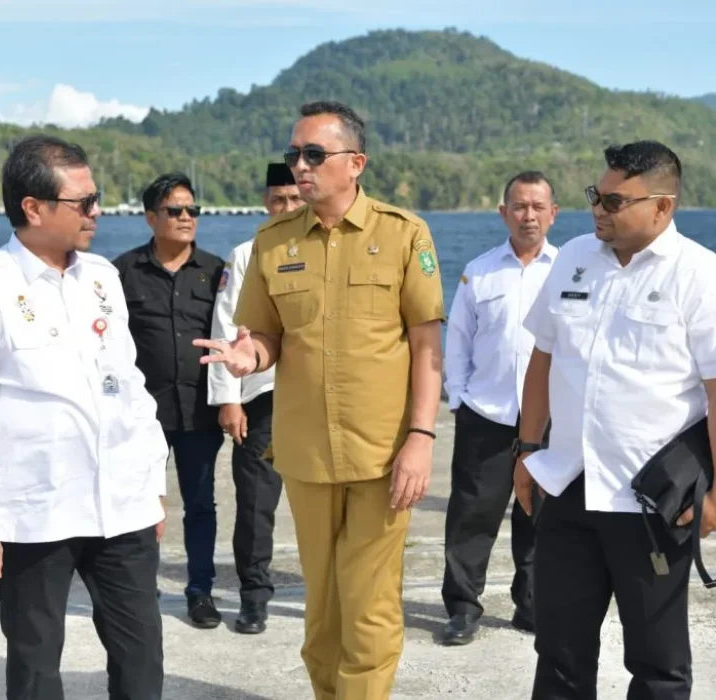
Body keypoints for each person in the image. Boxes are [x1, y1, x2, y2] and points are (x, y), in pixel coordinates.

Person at [195, 100, 445, 699]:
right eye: (294, 155)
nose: (300, 168)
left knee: (369, 604)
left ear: (354, 163)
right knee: (322, 607)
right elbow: (266, 340)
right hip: (306, 454)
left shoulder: (404, 234)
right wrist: (245, 358)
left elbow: (427, 342)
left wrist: (421, 437)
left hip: (383, 454)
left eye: (314, 155)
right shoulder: (273, 243)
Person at [514, 140, 716, 700]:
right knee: (559, 652)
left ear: (662, 207)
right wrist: (526, 451)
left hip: (649, 500)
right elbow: (542, 358)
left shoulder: (704, 276)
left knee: (657, 663)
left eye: (615, 201)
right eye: (597, 195)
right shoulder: (572, 257)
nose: (599, 208)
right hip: (569, 484)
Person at [0, 134, 169, 700]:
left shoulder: (101, 278)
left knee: (141, 656)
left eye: (97, 198)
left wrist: (151, 482)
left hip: (121, 505)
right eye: (83, 202)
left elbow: (130, 386)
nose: (97, 212)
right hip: (34, 512)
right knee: (36, 664)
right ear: (33, 208)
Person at [440, 170, 559, 645]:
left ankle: (531, 606)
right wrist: (462, 398)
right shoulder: (480, 270)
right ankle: (463, 608)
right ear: (503, 212)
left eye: (537, 206)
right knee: (472, 516)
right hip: (486, 416)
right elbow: (458, 341)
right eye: (519, 206)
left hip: (551, 422)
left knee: (543, 520)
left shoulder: (568, 269)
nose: (528, 215)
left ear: (553, 212)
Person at [112, 173, 226, 629]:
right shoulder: (122, 272)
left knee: (200, 503)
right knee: (140, 502)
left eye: (192, 210)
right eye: (175, 210)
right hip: (144, 413)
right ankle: (141, 590)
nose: (185, 218)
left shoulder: (216, 272)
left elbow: (229, 335)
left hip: (199, 409)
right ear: (151, 217)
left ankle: (200, 591)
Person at [207, 162, 304, 634]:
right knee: (255, 504)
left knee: (324, 501)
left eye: (295, 199)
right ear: (267, 201)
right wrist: (230, 399)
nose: (286, 208)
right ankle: (253, 595)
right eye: (278, 199)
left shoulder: (324, 251)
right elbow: (225, 327)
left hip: (314, 395)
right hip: (262, 397)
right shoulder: (247, 254)